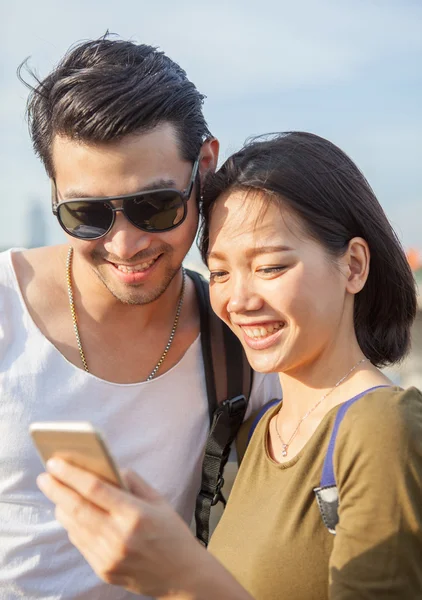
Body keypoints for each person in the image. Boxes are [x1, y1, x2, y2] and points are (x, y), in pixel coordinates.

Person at [38, 131, 422, 599]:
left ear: (354, 265)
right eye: (219, 272)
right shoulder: (255, 431)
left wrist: (180, 576)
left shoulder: (381, 426)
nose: (237, 300)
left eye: (270, 268)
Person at [0, 37, 281, 600]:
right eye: (87, 214)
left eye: (156, 206)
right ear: (54, 191)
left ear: (203, 166)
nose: (125, 245)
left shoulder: (243, 341)